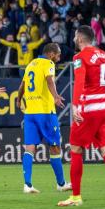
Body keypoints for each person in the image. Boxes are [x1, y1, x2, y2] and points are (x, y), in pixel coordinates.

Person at [59, 26, 105, 207]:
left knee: (76, 150)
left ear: (81, 39)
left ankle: (76, 196)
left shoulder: (79, 57)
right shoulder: (103, 55)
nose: (74, 39)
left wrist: (75, 106)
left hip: (90, 109)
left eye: (75, 36)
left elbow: (80, 82)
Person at [15, 43, 69, 193]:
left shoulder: (31, 64)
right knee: (54, 146)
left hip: (30, 113)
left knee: (29, 148)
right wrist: (56, 96)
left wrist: (19, 99)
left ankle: (27, 185)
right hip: (45, 112)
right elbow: (49, 80)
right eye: (58, 55)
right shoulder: (48, 63)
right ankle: (61, 183)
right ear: (51, 54)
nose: (58, 58)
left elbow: (23, 85)